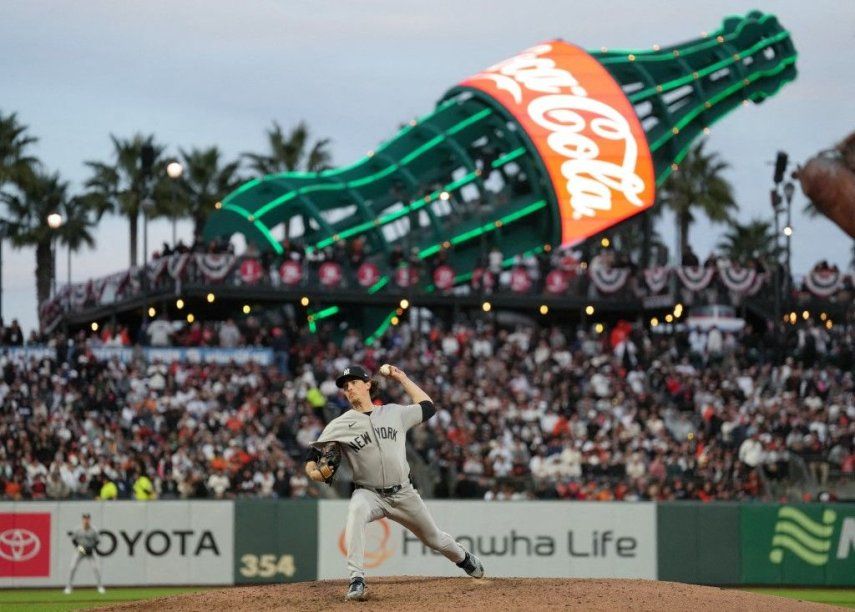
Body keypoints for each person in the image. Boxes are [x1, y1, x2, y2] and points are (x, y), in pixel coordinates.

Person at [305, 364, 484, 602]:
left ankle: (463, 558)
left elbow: (428, 407)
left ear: (368, 384)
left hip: (403, 493)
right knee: (356, 513)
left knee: (434, 539)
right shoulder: (340, 423)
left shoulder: (393, 412)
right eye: (346, 387)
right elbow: (313, 456)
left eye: (355, 383)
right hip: (369, 494)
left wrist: (402, 378)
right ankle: (356, 579)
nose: (350, 389)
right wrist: (313, 472)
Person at [64, 513, 105, 595]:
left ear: (90, 520)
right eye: (85, 518)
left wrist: (92, 548)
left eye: (87, 518)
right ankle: (68, 587)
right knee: (72, 567)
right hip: (79, 551)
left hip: (90, 551)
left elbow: (97, 541)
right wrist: (81, 549)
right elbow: (74, 541)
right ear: (82, 520)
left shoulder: (94, 530)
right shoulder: (78, 529)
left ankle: (100, 587)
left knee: (96, 568)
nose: (86, 520)